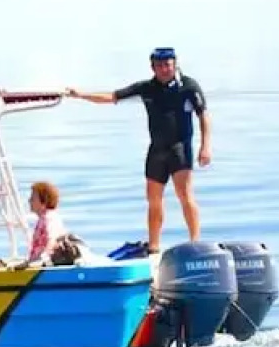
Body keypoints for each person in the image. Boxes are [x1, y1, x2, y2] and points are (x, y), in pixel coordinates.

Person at [64, 47, 211, 253]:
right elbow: (112, 97)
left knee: (185, 195)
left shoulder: (188, 86)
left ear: (174, 64)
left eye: (167, 65)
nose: (164, 69)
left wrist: (205, 146)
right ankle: (154, 247)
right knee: (153, 200)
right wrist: (81, 95)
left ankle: (195, 243)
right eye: (159, 66)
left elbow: (203, 115)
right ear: (153, 67)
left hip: (180, 148)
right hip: (157, 150)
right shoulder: (147, 88)